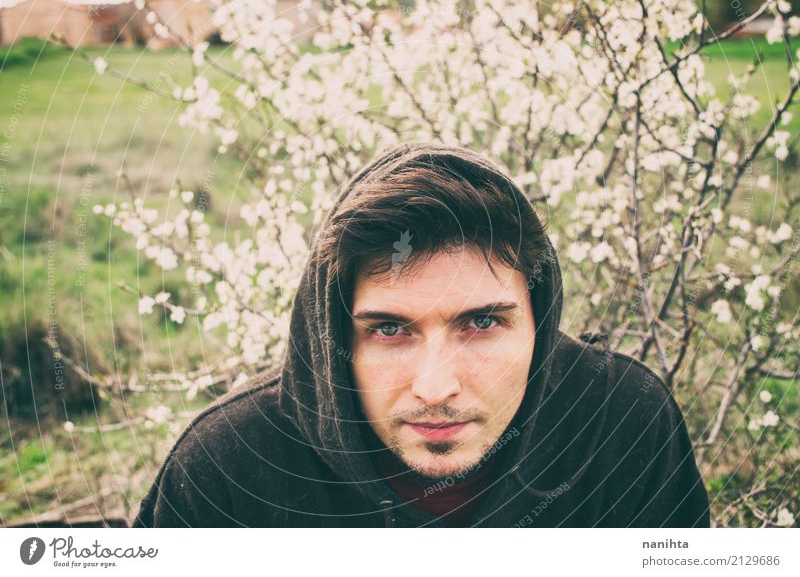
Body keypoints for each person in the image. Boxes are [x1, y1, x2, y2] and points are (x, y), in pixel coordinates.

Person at [134, 142, 710, 528]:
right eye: (389, 329)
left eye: (481, 322)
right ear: (337, 335)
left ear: (540, 319)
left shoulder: (621, 424)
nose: (435, 389)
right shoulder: (227, 469)